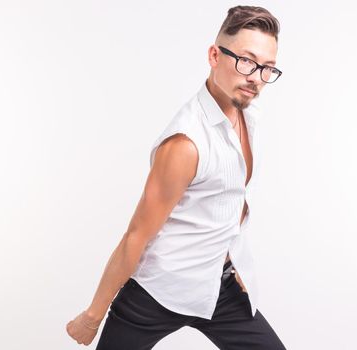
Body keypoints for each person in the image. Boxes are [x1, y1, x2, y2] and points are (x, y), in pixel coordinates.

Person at [66, 5, 287, 350]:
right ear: (215, 55)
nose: (256, 77)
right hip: (158, 292)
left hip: (219, 288)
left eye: (267, 68)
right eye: (246, 61)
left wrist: (232, 254)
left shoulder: (247, 115)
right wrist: (92, 316)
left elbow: (229, 198)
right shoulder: (185, 143)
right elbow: (136, 236)